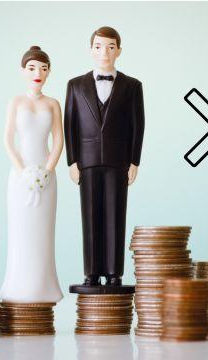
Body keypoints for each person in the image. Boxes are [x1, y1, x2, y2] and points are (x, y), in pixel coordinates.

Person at [64, 26, 145, 290]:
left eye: (111, 46)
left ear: (119, 51)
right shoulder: (75, 85)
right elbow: (70, 124)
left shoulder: (132, 86)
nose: (104, 52)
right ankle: (91, 272)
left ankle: (113, 273)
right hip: (86, 161)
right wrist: (72, 161)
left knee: (115, 216)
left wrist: (134, 161)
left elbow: (138, 124)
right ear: (91, 50)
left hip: (118, 160)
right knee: (90, 217)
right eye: (98, 46)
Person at [0, 46, 64, 302]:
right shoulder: (16, 102)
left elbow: (59, 141)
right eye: (33, 67)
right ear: (23, 71)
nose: (39, 73)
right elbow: (7, 140)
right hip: (20, 177)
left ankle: (44, 288)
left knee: (42, 233)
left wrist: (46, 172)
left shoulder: (53, 104)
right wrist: (23, 172)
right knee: (21, 231)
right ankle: (17, 288)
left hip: (47, 178)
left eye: (44, 68)